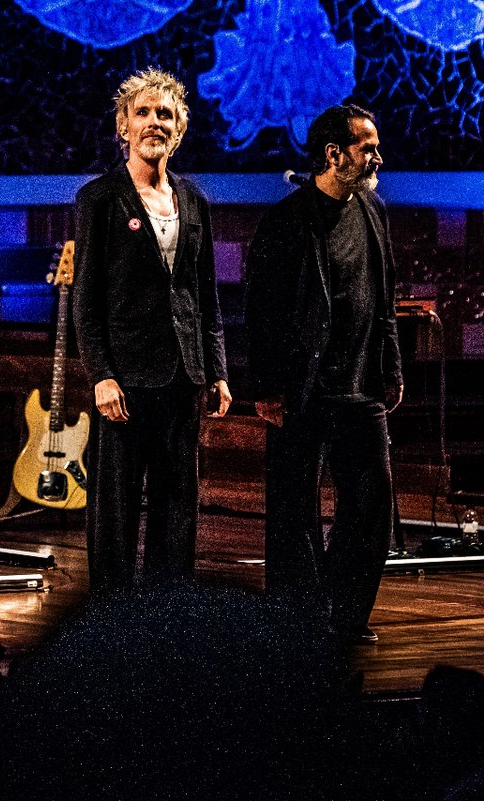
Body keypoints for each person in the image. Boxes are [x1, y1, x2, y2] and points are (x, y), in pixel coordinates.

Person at [245, 104, 403, 646]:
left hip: (361, 384)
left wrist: (391, 366)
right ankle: (297, 621)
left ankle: (346, 613)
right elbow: (260, 312)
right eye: (367, 147)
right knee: (295, 510)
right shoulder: (287, 220)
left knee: (371, 501)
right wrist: (264, 387)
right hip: (301, 388)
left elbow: (384, 298)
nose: (377, 156)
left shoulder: (373, 210)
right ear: (334, 154)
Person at [72, 68, 231, 596]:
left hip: (184, 375)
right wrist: (101, 374)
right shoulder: (99, 198)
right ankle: (112, 618)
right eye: (143, 112)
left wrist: (217, 371)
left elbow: (205, 294)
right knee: (115, 507)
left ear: (180, 129)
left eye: (165, 114)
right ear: (123, 125)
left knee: (177, 502)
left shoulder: (195, 200)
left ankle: (168, 615)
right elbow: (86, 298)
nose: (154, 123)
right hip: (126, 379)